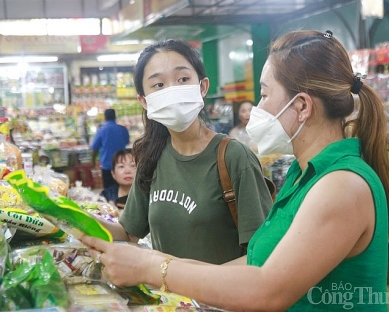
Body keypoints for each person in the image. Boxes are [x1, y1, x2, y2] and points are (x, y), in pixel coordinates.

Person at [82, 30, 389, 311]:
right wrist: (158, 263)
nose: (257, 109)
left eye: (264, 94)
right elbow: (255, 263)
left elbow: (268, 290)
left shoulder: (341, 186)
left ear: (301, 106)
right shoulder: (305, 177)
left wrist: (153, 270)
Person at [95, 39, 272, 265]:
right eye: (158, 85)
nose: (172, 91)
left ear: (202, 87)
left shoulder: (234, 157)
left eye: (183, 79)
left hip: (220, 299)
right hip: (168, 300)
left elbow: (260, 257)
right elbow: (128, 233)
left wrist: (180, 276)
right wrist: (69, 217)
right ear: (144, 101)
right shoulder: (151, 156)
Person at [91, 108, 130, 189]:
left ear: (105, 118)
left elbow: (95, 148)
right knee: (122, 188)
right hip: (121, 164)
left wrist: (93, 162)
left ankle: (111, 201)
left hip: (107, 165)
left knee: (109, 190)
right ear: (115, 117)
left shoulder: (101, 131)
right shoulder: (123, 129)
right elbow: (126, 142)